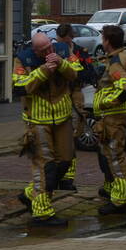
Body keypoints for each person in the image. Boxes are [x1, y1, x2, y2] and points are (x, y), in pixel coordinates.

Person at [12, 32, 81, 227]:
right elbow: (19, 86)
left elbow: (76, 73)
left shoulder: (62, 51)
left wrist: (61, 63)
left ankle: (30, 194)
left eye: (49, 48)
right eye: (43, 51)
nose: (48, 52)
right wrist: (43, 71)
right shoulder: (23, 59)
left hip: (63, 117)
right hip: (38, 121)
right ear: (34, 50)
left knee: (66, 161)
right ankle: (42, 213)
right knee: (46, 167)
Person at [93, 24, 126, 215]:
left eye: (103, 38)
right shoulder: (122, 57)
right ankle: (113, 191)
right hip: (113, 117)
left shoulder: (116, 62)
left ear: (108, 41)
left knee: (115, 157)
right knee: (108, 155)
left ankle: (120, 201)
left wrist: (106, 104)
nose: (102, 41)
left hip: (113, 117)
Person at [52, 23, 97, 191]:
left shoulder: (80, 52)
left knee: (71, 137)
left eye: (64, 40)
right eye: (58, 40)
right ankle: (56, 175)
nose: (60, 43)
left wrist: (71, 69)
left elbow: (90, 73)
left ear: (70, 38)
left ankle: (67, 179)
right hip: (58, 96)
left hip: (75, 94)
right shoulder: (51, 50)